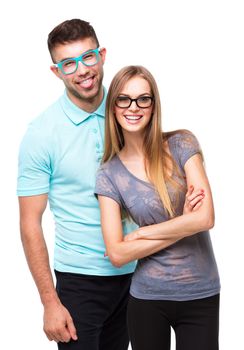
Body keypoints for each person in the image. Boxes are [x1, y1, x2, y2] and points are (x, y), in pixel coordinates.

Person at [17, 19, 139, 350]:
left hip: (137, 274)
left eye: (88, 57)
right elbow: (30, 223)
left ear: (101, 55)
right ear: (57, 72)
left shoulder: (129, 112)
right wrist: (49, 302)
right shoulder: (42, 134)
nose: (82, 70)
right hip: (79, 282)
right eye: (69, 63)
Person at [95, 65, 220, 350]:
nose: (133, 107)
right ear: (113, 107)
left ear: (153, 105)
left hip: (200, 292)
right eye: (124, 99)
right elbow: (116, 253)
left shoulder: (182, 144)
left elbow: (206, 217)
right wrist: (183, 224)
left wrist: (141, 234)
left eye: (143, 99)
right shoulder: (108, 174)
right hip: (147, 298)